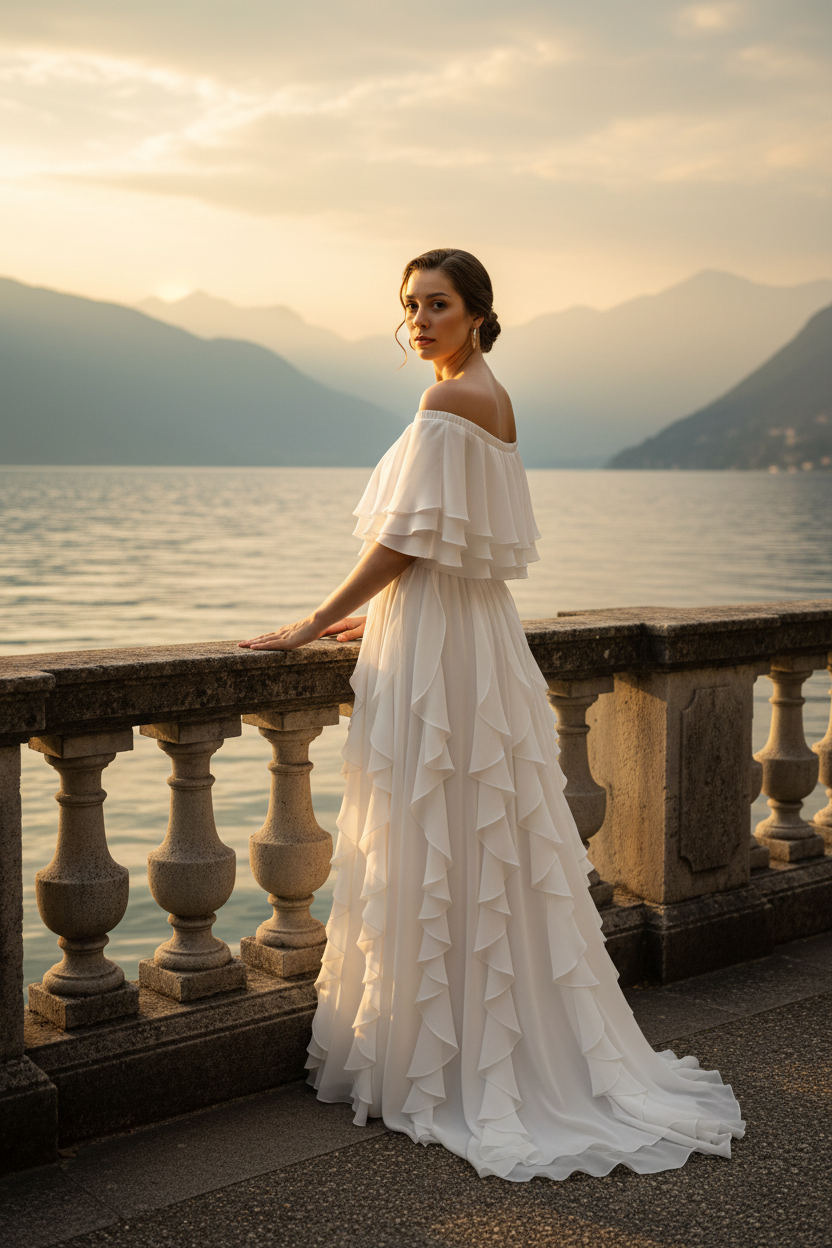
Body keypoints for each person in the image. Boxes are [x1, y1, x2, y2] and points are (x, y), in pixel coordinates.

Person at [239, 247, 745, 1180]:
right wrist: (381, 614)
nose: (419, 321)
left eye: (437, 304)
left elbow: (404, 539)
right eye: (411, 306)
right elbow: (452, 542)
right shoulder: (496, 398)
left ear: (476, 311)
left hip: (444, 644)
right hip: (466, 629)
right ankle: (480, 1043)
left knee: (434, 825)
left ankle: (452, 1060)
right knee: (478, 832)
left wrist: (311, 622)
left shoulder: (448, 401)